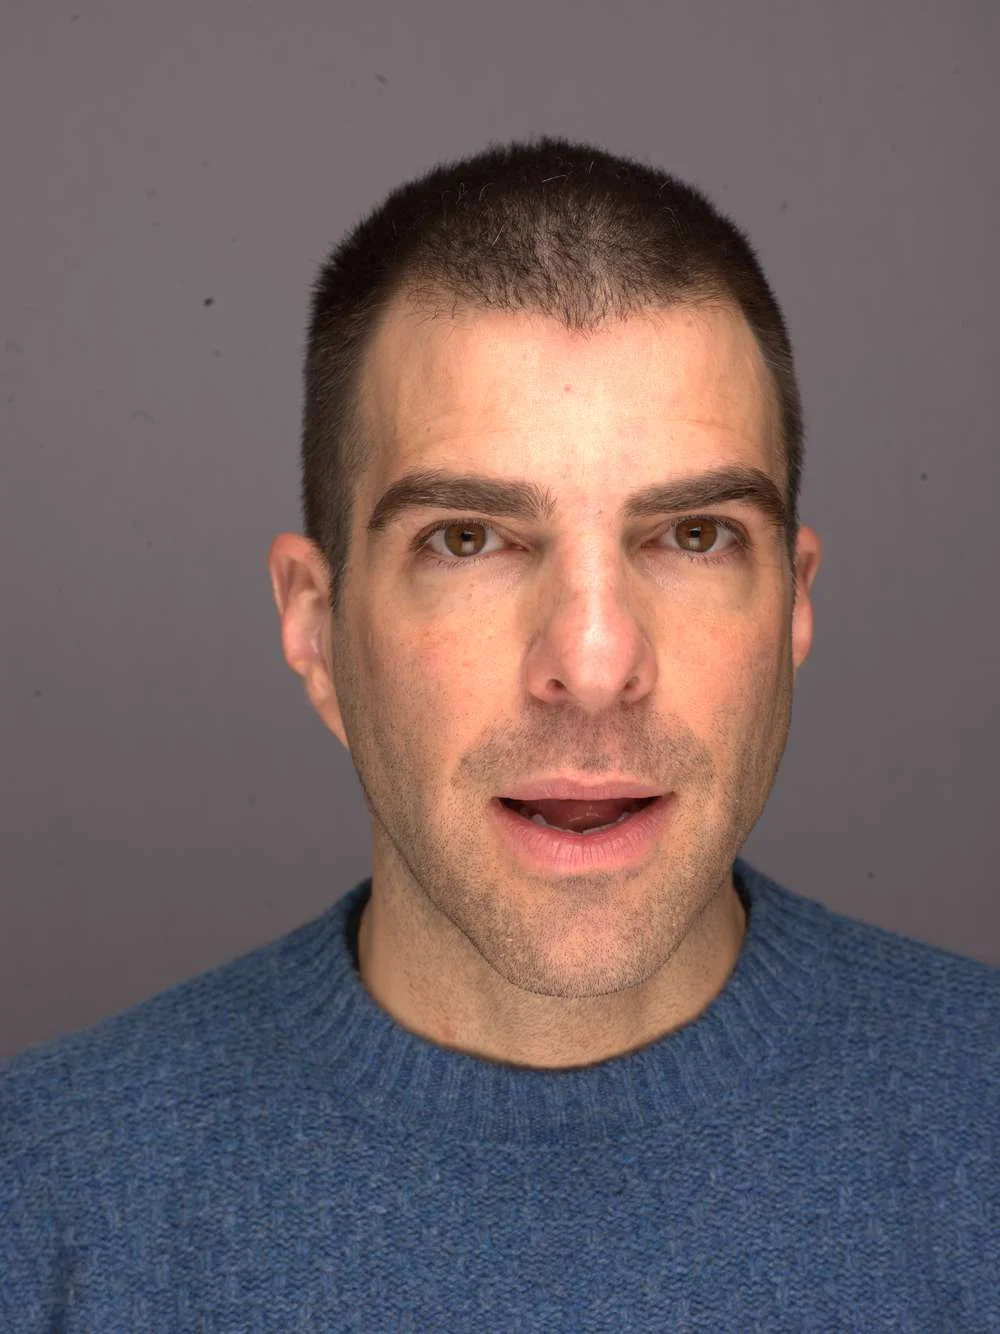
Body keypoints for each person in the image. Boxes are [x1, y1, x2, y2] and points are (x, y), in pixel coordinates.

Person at [2, 136, 997, 1332]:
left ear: (793, 604)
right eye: (468, 539)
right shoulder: (40, 1200)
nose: (593, 664)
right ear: (315, 626)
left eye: (692, 536)